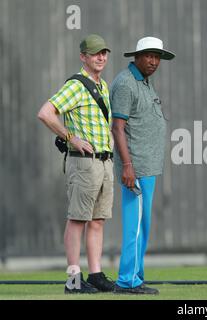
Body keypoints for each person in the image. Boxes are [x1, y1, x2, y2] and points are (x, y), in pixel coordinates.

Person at [37, 34, 115, 294]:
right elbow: (45, 113)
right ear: (83, 57)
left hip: (103, 161)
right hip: (84, 163)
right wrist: (71, 138)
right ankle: (73, 279)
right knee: (77, 219)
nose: (101, 57)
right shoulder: (77, 85)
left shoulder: (102, 85)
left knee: (97, 220)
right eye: (95, 53)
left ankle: (95, 274)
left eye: (104, 52)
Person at [110, 37, 175, 295]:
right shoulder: (126, 83)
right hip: (134, 168)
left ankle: (136, 275)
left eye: (158, 57)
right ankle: (127, 281)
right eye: (149, 55)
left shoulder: (144, 82)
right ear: (136, 56)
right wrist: (127, 165)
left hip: (147, 167)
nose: (154, 61)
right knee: (134, 226)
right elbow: (117, 128)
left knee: (143, 226)